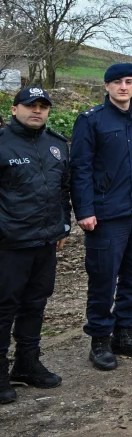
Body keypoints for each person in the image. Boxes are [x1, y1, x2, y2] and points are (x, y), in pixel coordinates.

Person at [70, 63, 132, 371]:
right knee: (103, 278)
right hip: (107, 214)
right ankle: (99, 340)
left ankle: (124, 333)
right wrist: (85, 210)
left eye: (129, 81)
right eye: (117, 82)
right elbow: (81, 168)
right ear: (107, 86)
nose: (123, 87)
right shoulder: (91, 121)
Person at [0, 87, 70, 403]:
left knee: (36, 303)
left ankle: (27, 363)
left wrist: (63, 225)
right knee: (4, 308)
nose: (37, 111)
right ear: (15, 109)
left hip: (45, 241)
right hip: (10, 244)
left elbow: (62, 190)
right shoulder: (2, 144)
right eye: (30, 105)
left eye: (43, 106)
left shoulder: (56, 145)